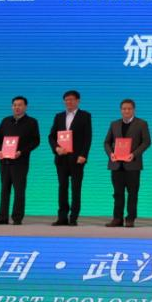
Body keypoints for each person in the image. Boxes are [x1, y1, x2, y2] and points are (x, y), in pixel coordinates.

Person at [0, 96, 41, 225]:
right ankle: (2, 217)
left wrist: (21, 152)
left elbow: (36, 141)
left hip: (20, 162)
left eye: (19, 105)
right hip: (4, 161)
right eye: (14, 105)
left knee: (19, 190)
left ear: (25, 107)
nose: (17, 107)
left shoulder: (32, 122)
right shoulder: (5, 121)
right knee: (4, 190)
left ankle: (17, 218)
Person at [103, 99, 151, 227]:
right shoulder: (114, 124)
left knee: (132, 193)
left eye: (129, 108)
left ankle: (130, 219)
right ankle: (117, 218)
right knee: (117, 193)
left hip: (133, 164)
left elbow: (146, 142)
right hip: (116, 164)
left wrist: (133, 154)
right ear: (121, 110)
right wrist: (110, 154)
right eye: (124, 109)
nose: (126, 111)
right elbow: (106, 142)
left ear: (134, 110)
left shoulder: (142, 123)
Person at [48, 90, 92, 226]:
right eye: (66, 100)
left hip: (77, 158)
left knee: (76, 188)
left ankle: (73, 217)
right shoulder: (59, 116)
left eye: (72, 99)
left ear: (78, 101)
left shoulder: (85, 116)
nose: (69, 102)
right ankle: (62, 217)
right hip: (61, 158)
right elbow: (51, 136)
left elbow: (88, 137)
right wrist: (56, 148)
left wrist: (83, 155)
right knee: (62, 188)